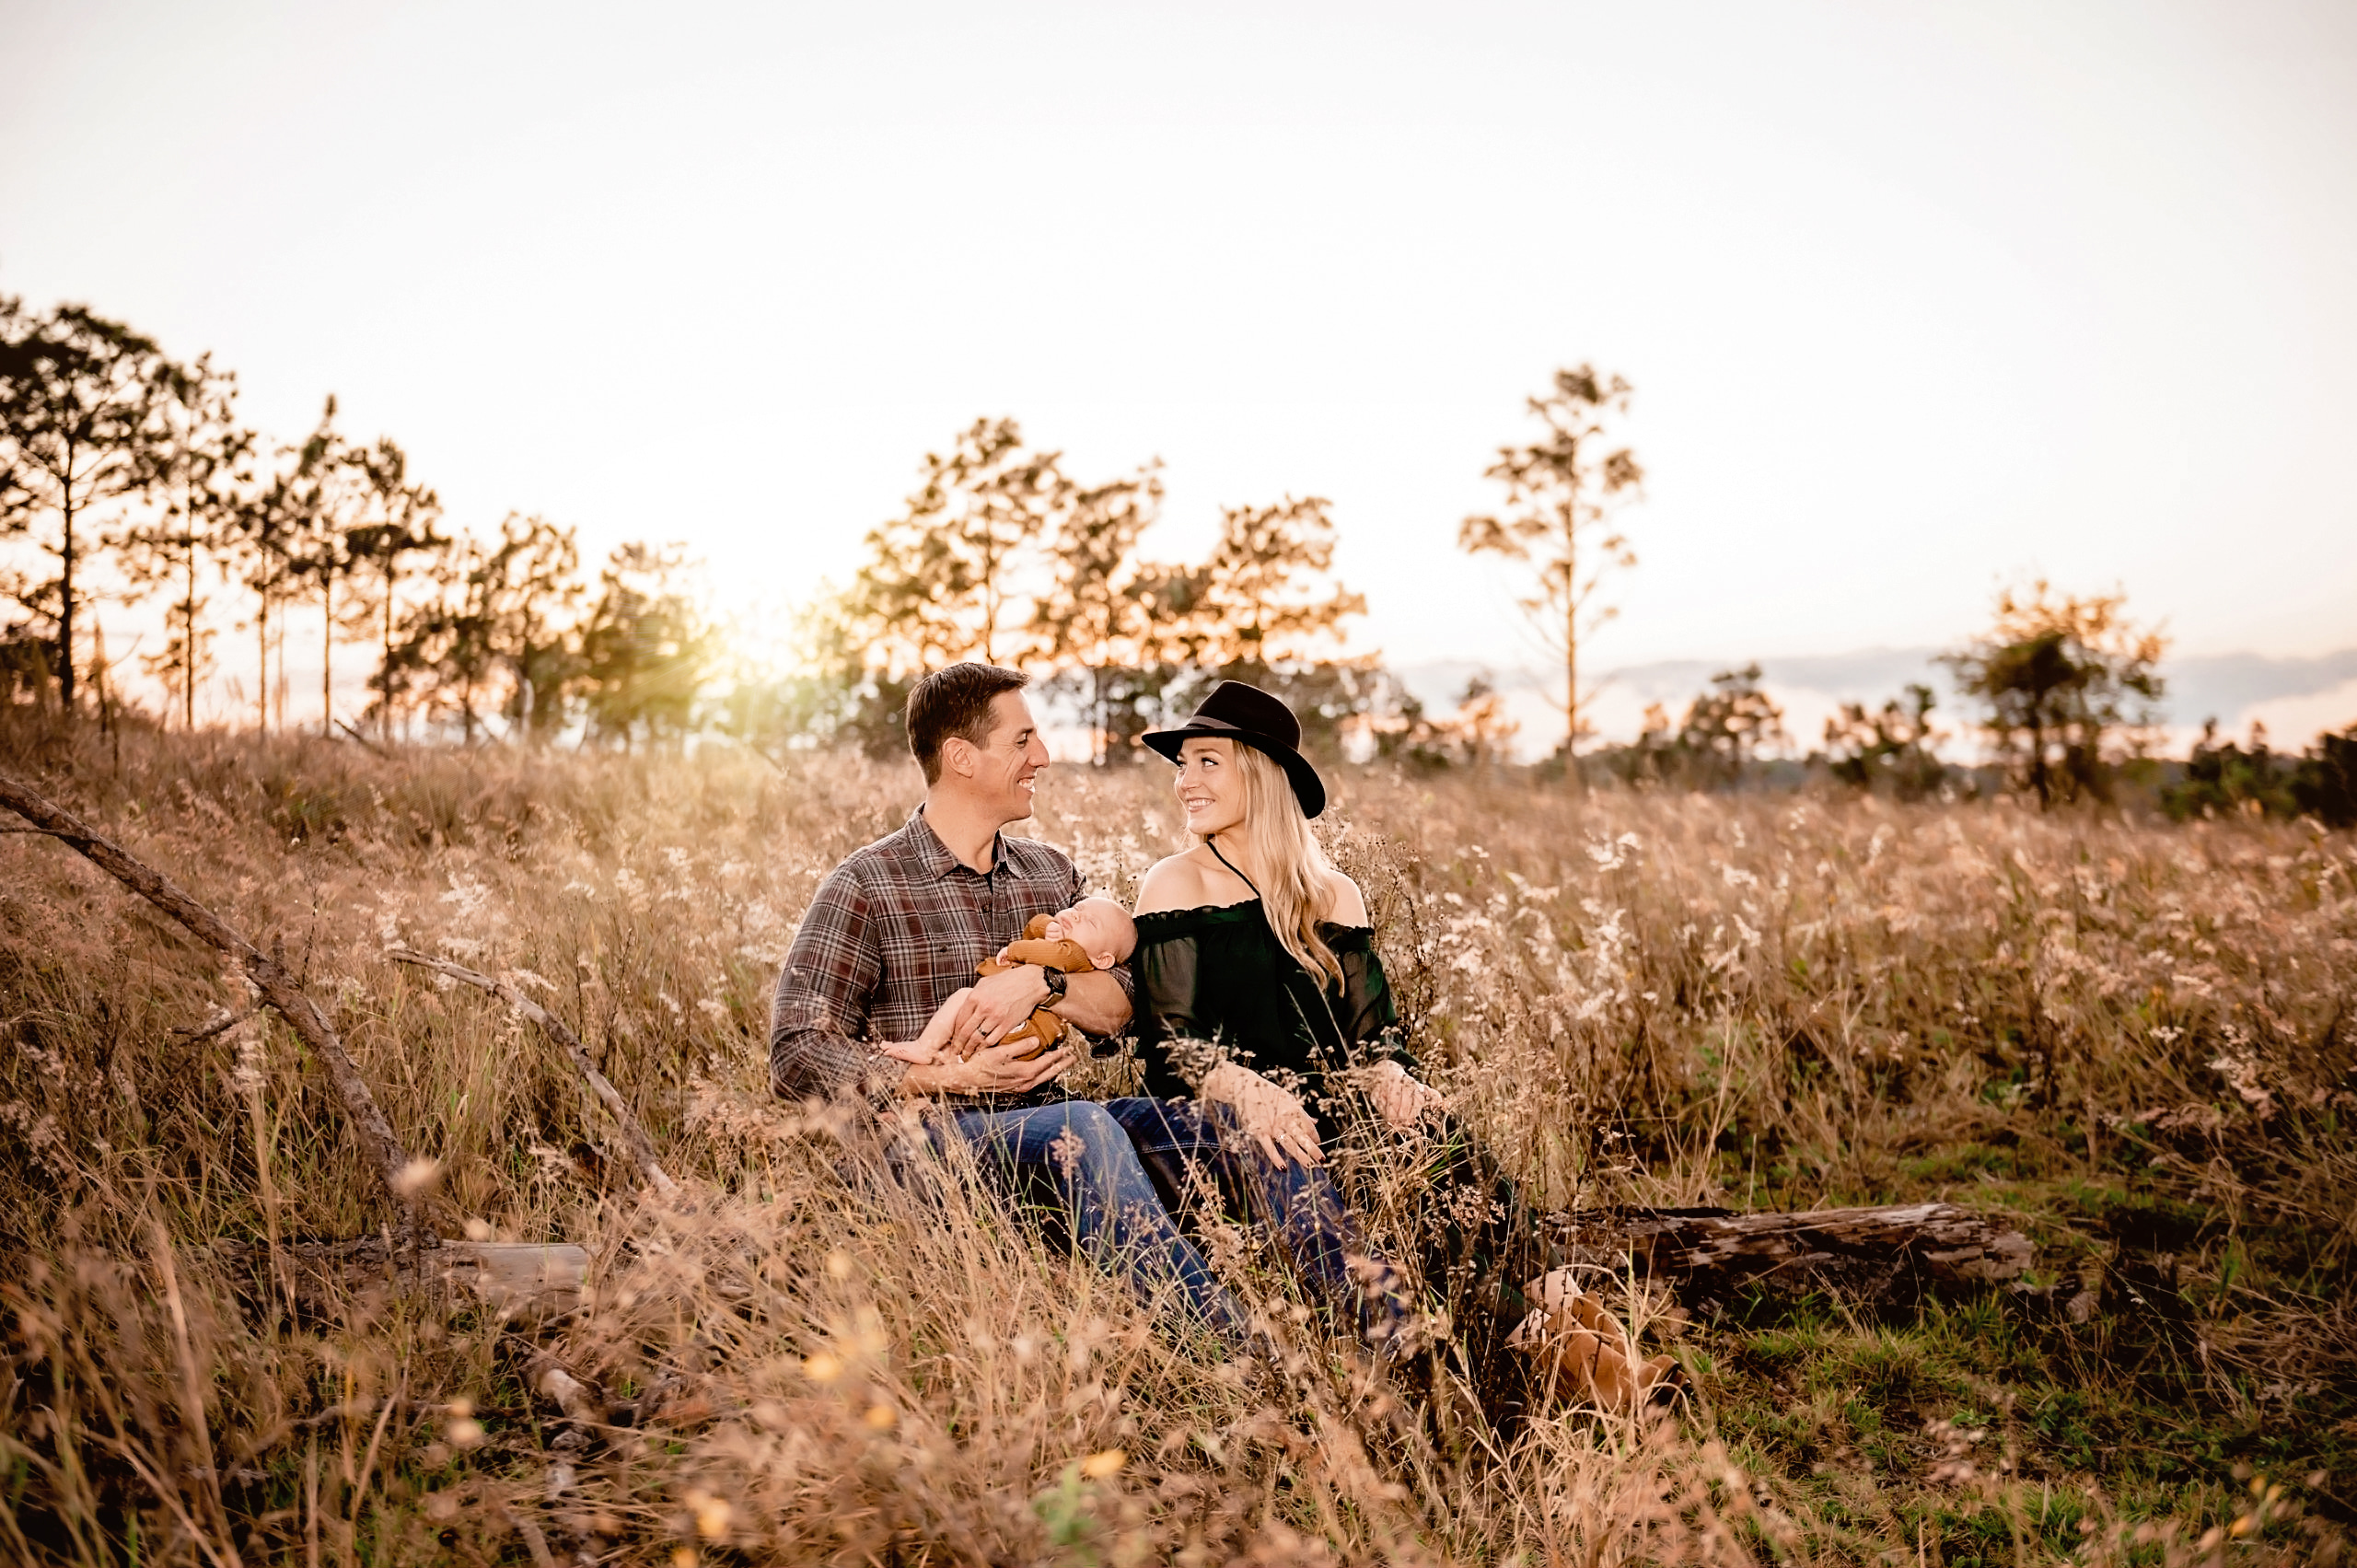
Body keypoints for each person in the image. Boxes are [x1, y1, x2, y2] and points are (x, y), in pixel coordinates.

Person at [1126, 679, 1567, 1409]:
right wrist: (1249, 1088)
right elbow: (1172, 1042)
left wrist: (1390, 1073)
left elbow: (1372, 1036)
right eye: (1183, 764)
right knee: (1361, 1189)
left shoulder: (1335, 894)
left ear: (1259, 774)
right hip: (1234, 1115)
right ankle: (1510, 1357)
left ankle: (1572, 1321)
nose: (1185, 781)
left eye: (1207, 761)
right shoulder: (1175, 883)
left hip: (1336, 1107)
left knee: (1430, 1127)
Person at [769, 662, 1241, 1337]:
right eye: (1022, 741)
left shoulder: (1050, 872)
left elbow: (1121, 1003)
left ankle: (1371, 1316)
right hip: (924, 1150)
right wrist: (946, 1074)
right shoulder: (867, 884)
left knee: (1210, 1128)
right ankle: (1237, 1355)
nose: (1042, 756)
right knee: (1085, 1130)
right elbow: (795, 1051)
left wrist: (1043, 982)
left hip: (1046, 1128)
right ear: (961, 756)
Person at [972, 898, 1138, 1059]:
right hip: (992, 1008)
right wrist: (1047, 926)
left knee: (1015, 1040)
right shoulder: (1065, 938)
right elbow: (1032, 928)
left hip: (1030, 1029)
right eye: (1077, 908)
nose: (1076, 915)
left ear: (1102, 960)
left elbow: (1046, 952)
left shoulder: (1074, 954)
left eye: (1092, 923)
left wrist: (1014, 950)